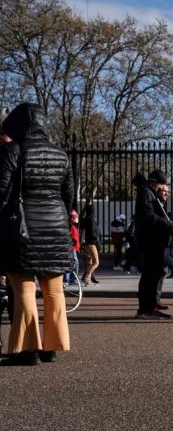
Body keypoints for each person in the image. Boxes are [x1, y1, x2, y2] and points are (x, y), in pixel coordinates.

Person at [0, 103, 74, 366]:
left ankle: (27, 349)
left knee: (24, 289)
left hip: (22, 230)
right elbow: (68, 197)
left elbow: (2, 193)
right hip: (55, 228)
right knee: (54, 291)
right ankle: (53, 346)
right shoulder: (60, 154)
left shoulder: (12, 151)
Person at [134, 170, 173, 319]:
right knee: (150, 274)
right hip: (149, 241)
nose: (164, 188)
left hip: (153, 241)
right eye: (162, 185)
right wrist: (169, 225)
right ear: (156, 183)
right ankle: (146, 308)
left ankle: (151, 305)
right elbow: (148, 216)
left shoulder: (150, 193)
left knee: (154, 273)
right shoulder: (146, 193)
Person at [79, 203, 101, 286]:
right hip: (92, 243)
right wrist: (97, 240)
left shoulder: (85, 219)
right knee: (96, 262)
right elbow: (94, 232)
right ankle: (87, 277)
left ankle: (87, 279)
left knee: (90, 261)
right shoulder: (92, 219)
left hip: (87, 243)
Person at [67, 209, 81, 284]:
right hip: (72, 247)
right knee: (74, 262)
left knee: (73, 262)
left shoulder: (72, 227)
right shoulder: (71, 227)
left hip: (73, 247)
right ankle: (72, 279)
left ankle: (71, 278)